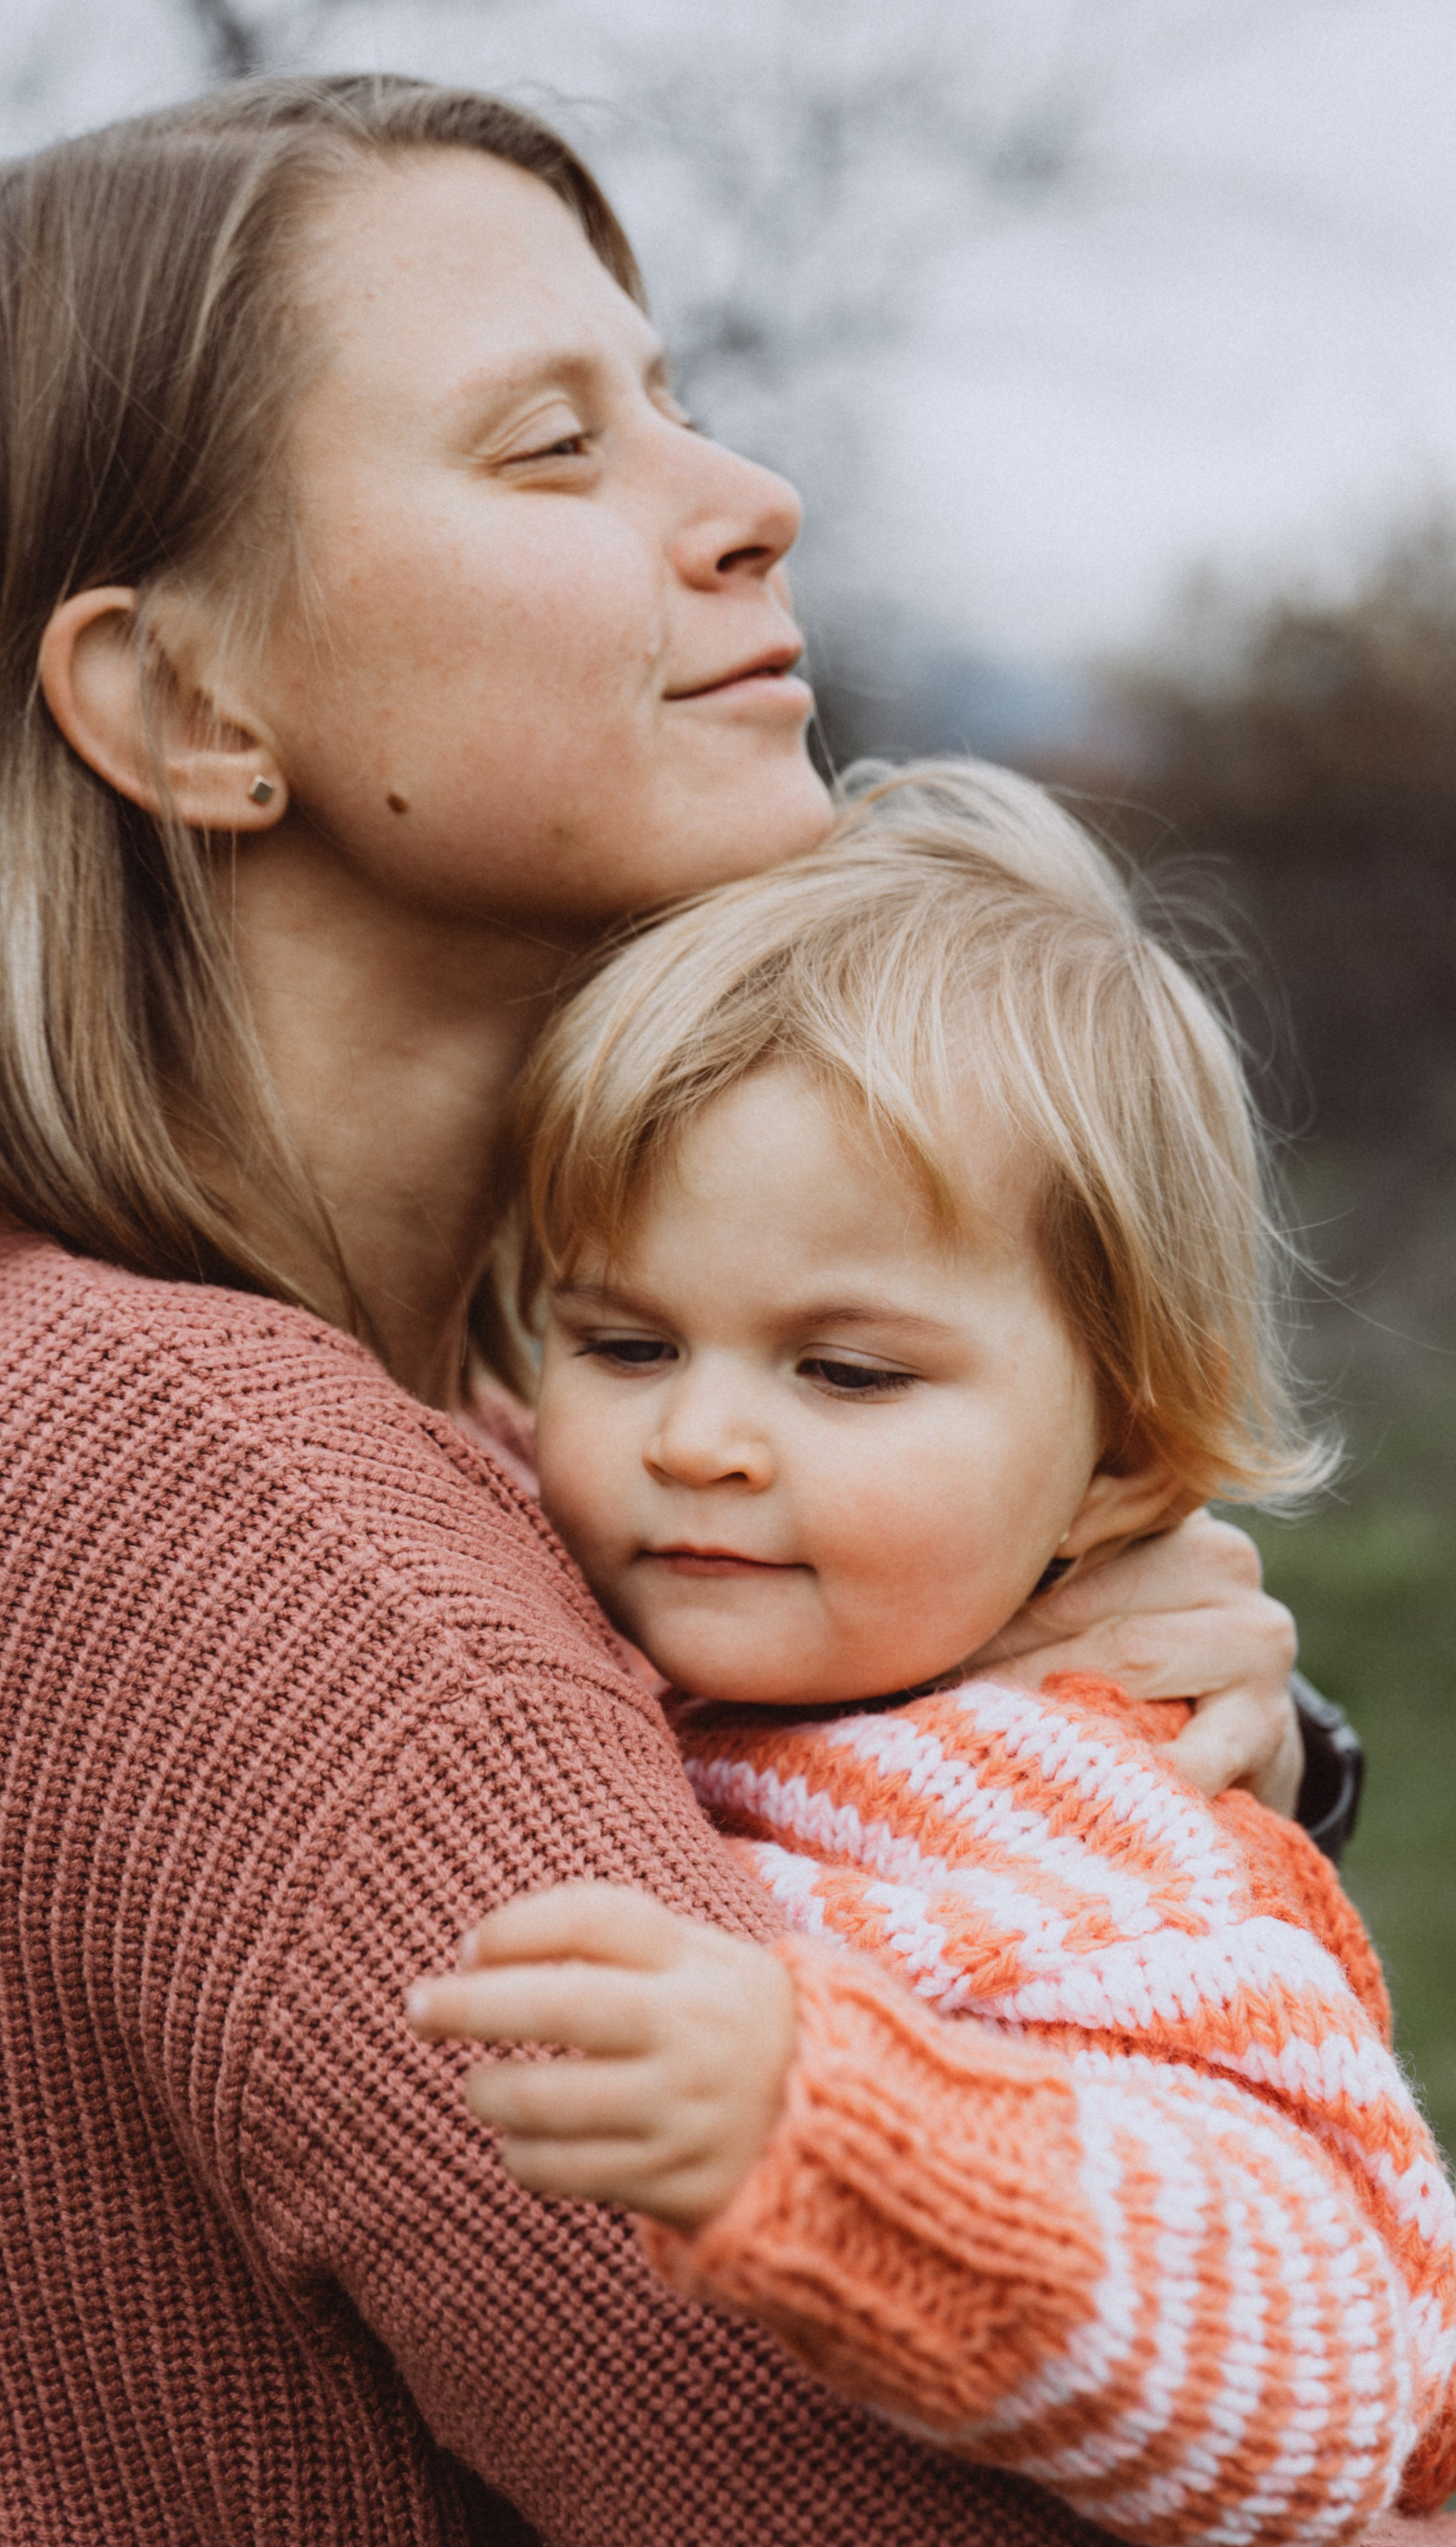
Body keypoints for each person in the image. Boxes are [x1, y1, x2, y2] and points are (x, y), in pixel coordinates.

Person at [0, 72, 1337, 2547]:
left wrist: (1058, 1777)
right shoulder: (206, 1488)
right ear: (184, 706)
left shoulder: (45, 1388)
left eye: (676, 400)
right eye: (551, 446)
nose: (750, 498)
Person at [409, 762, 1456, 2544]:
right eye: (628, 1344)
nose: (700, 1441)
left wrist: (838, 2132)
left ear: (1125, 1454)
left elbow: (1332, 2361)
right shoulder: (559, 1563)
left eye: (847, 1372)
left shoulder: (1086, 1823)